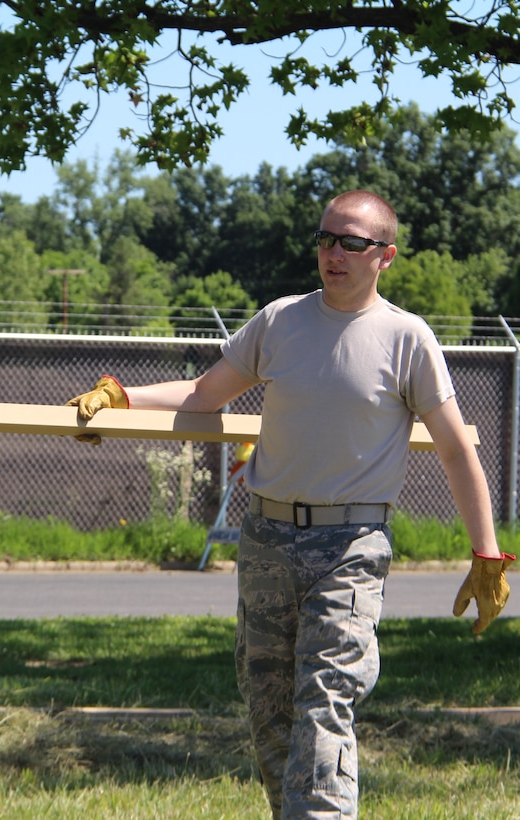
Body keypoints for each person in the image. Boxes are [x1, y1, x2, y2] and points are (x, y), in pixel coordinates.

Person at [67, 190, 513, 819]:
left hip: (351, 547)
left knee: (326, 699)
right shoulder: (280, 321)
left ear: (384, 255)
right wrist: (119, 395)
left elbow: (456, 452)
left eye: (352, 243)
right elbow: (204, 392)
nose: (334, 253)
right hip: (268, 538)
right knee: (269, 710)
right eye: (326, 239)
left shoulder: (407, 337)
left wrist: (487, 555)